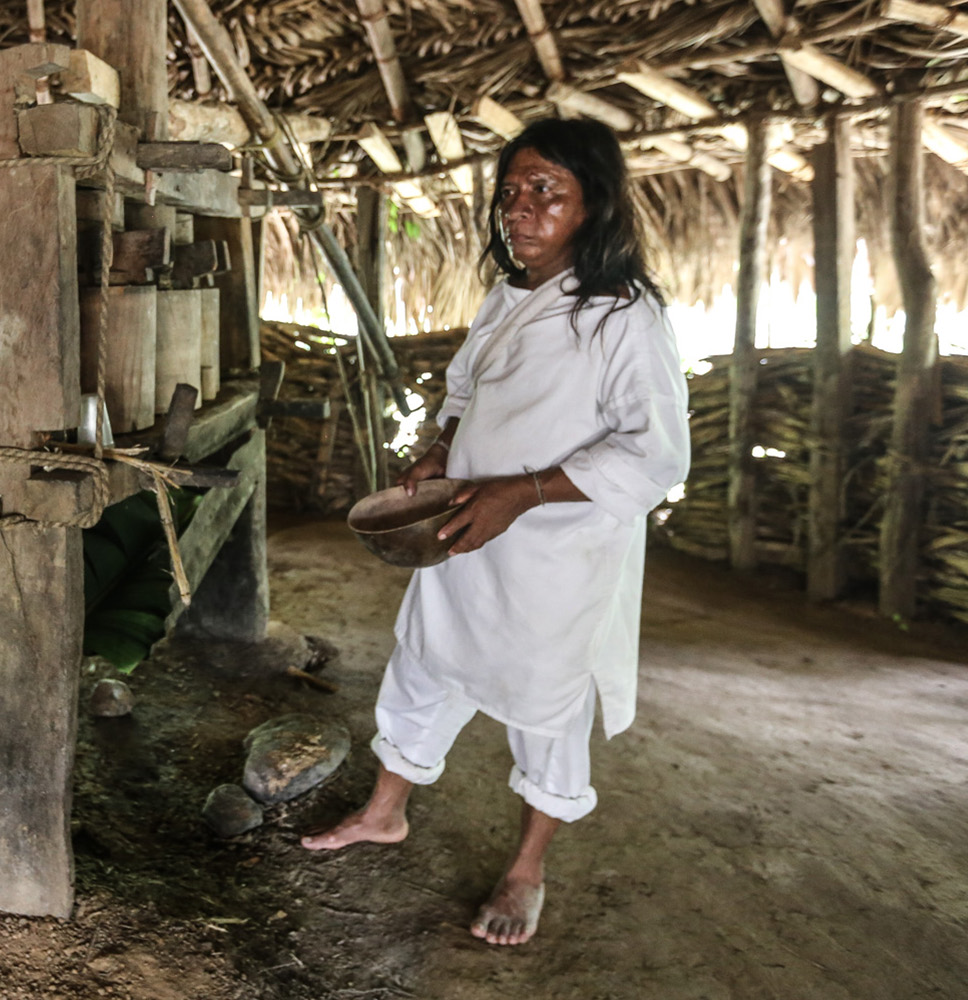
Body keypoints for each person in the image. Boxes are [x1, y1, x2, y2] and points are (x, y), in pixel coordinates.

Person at [301, 119, 691, 947]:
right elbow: (467, 389)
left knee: (545, 705)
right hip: (467, 528)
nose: (520, 209)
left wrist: (525, 491)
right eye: (511, 192)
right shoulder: (510, 293)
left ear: (595, 204)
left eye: (545, 191)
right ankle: (384, 813)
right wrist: (440, 447)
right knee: (424, 664)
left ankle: (526, 872)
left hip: (557, 554)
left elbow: (655, 453)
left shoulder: (624, 315)